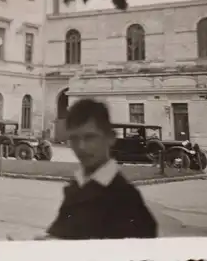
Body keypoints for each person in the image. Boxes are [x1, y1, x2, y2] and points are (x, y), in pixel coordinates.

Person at [36, 98, 158, 240]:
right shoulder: (77, 186)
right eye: (74, 139)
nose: (81, 147)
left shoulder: (125, 199)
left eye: (90, 137)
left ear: (111, 138)